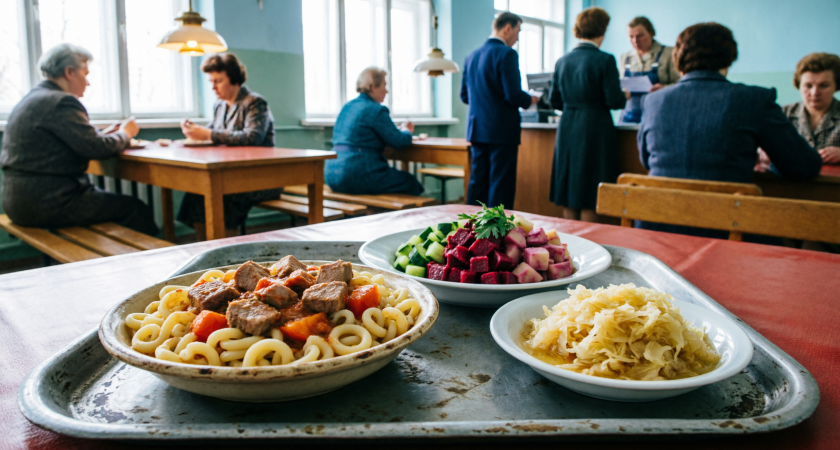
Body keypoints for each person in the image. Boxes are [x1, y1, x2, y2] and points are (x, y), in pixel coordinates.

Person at [637, 23, 822, 238]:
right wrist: (766, 161)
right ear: (729, 58)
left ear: (678, 60)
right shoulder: (754, 99)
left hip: (656, 227)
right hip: (727, 231)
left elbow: (646, 160)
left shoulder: (653, 101)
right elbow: (803, 166)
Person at [0, 43, 158, 235]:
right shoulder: (61, 101)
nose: (87, 82)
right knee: (135, 209)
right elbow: (96, 148)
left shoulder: (32, 99)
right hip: (50, 202)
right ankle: (147, 263)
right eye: (85, 73)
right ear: (69, 72)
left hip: (19, 202)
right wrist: (126, 133)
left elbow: (76, 142)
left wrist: (106, 134)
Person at [177, 53, 280, 238]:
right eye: (211, 81)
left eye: (218, 81)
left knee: (222, 196)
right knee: (196, 194)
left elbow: (253, 137)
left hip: (261, 176)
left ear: (233, 78)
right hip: (234, 174)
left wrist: (207, 134)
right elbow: (213, 132)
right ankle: (207, 245)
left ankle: (227, 251)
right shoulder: (220, 106)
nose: (213, 87)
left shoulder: (255, 102)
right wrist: (194, 132)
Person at [548, 7, 626, 223]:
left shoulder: (562, 61)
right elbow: (614, 100)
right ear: (602, 30)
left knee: (570, 188)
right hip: (595, 127)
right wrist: (623, 95)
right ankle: (591, 245)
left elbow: (554, 100)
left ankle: (572, 242)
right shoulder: (605, 60)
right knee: (591, 188)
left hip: (568, 127)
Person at [460, 12, 540, 208]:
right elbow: (513, 95)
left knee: (477, 183)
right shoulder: (507, 54)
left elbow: (464, 96)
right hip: (502, 131)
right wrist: (531, 98)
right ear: (507, 28)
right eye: (518, 31)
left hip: (478, 129)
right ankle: (497, 235)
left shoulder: (472, 56)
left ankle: (469, 232)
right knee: (500, 185)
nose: (518, 38)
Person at [324, 67, 423, 196]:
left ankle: (374, 212)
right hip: (356, 173)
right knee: (411, 182)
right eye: (384, 85)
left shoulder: (347, 107)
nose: (386, 91)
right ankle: (384, 214)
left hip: (332, 174)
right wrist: (406, 130)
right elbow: (399, 141)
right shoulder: (377, 110)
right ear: (373, 87)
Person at [619, 16, 681, 123]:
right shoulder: (625, 58)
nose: (635, 41)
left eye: (640, 36)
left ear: (651, 33)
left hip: (660, 116)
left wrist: (665, 88)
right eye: (631, 36)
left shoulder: (669, 54)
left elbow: (682, 85)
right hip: (630, 117)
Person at [781, 53, 840, 164]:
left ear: (836, 86)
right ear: (799, 85)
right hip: (787, 180)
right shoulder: (783, 114)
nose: (814, 93)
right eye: (808, 86)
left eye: (824, 85)